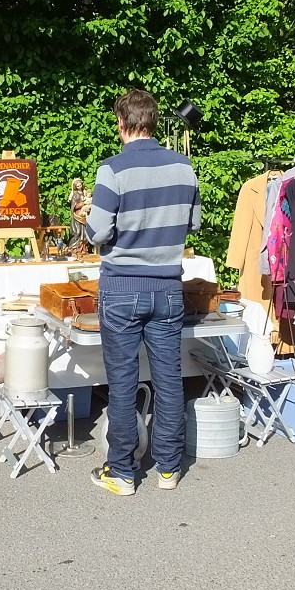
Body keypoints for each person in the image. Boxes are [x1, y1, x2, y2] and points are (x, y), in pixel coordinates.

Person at [85, 88, 201, 495]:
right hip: (168, 286)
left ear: (122, 123)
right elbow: (194, 225)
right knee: (170, 379)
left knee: (122, 381)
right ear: (152, 121)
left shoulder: (112, 170)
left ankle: (122, 472)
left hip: (122, 287)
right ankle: (169, 469)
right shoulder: (185, 167)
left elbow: (98, 230)